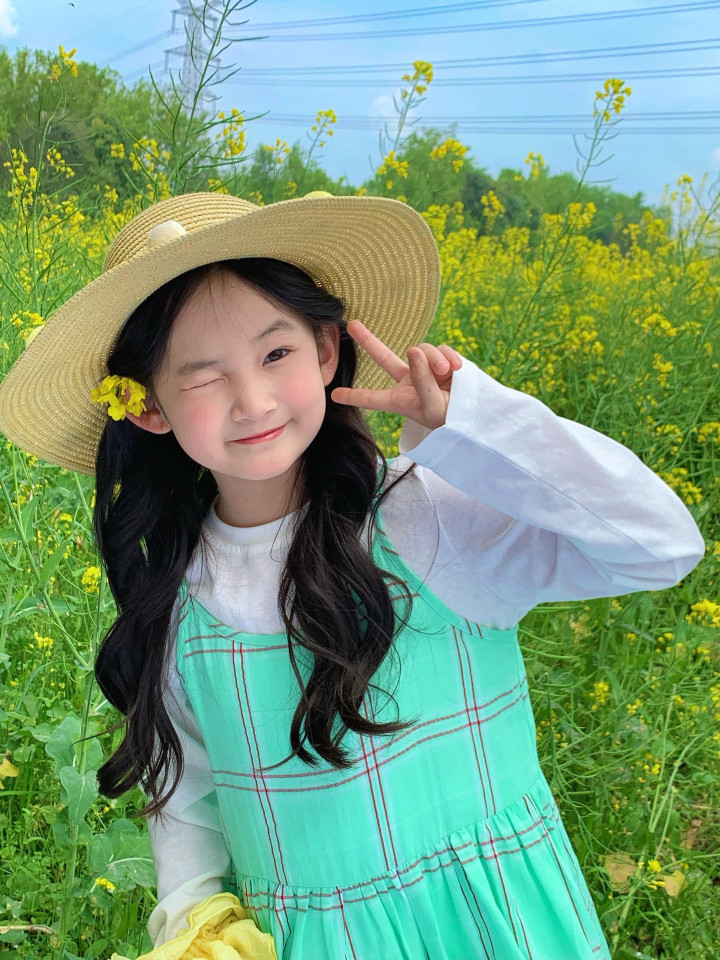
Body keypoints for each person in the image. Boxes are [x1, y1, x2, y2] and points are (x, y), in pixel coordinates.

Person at [0, 191, 705, 960]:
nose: (253, 401)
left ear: (327, 350)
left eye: (276, 354)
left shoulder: (427, 517)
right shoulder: (178, 606)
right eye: (203, 377)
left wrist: (477, 424)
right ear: (147, 409)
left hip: (499, 925)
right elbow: (189, 798)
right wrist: (194, 924)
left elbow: (660, 544)